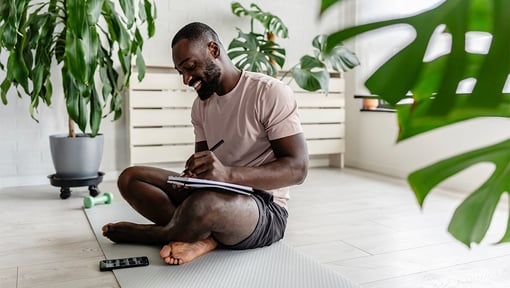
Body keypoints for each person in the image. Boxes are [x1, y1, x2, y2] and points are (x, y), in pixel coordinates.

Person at [102, 22, 308, 265]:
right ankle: (200, 236)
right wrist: (189, 178)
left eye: (190, 66)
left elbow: (298, 169)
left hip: (263, 208)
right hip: (214, 194)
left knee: (204, 204)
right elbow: (202, 168)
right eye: (181, 72)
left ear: (214, 50)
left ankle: (158, 234)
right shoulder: (201, 106)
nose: (187, 78)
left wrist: (227, 175)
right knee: (130, 177)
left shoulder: (269, 92)